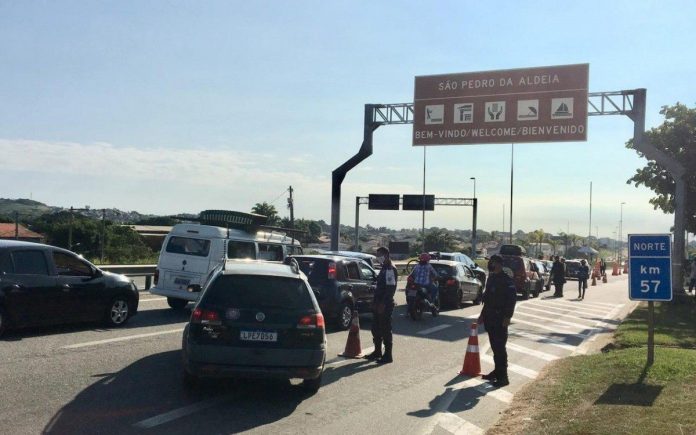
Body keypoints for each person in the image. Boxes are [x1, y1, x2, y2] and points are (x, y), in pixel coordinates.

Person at [477, 254, 517, 387]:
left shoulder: (506, 280)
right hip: (490, 317)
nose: (491, 265)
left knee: (500, 349)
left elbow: (511, 300)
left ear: (499, 264)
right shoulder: (492, 278)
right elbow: (487, 299)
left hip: (500, 318)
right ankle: (497, 372)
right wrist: (482, 315)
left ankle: (503, 377)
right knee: (495, 347)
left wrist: (507, 317)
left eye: (493, 262)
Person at [365, 247, 398, 364]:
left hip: (385, 304)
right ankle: (377, 351)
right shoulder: (384, 267)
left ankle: (388, 355)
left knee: (385, 329)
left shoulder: (390, 268)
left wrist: (383, 304)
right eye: (377, 255)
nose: (378, 257)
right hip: (378, 302)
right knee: (375, 328)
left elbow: (390, 289)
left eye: (380, 255)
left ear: (386, 255)